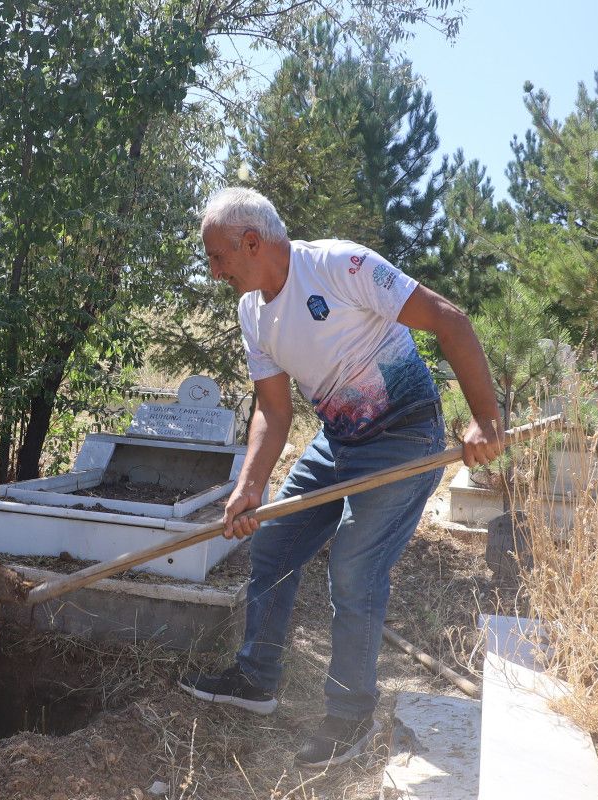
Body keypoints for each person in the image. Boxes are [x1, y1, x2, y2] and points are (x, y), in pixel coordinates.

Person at [178, 187, 504, 769]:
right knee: (274, 544)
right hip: (339, 441)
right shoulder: (251, 311)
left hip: (405, 437)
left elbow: (450, 322)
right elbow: (274, 411)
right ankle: (256, 680)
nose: (214, 270)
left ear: (251, 242)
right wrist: (250, 484)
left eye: (218, 257)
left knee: (354, 566)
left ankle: (350, 716)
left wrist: (485, 418)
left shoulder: (340, 266)